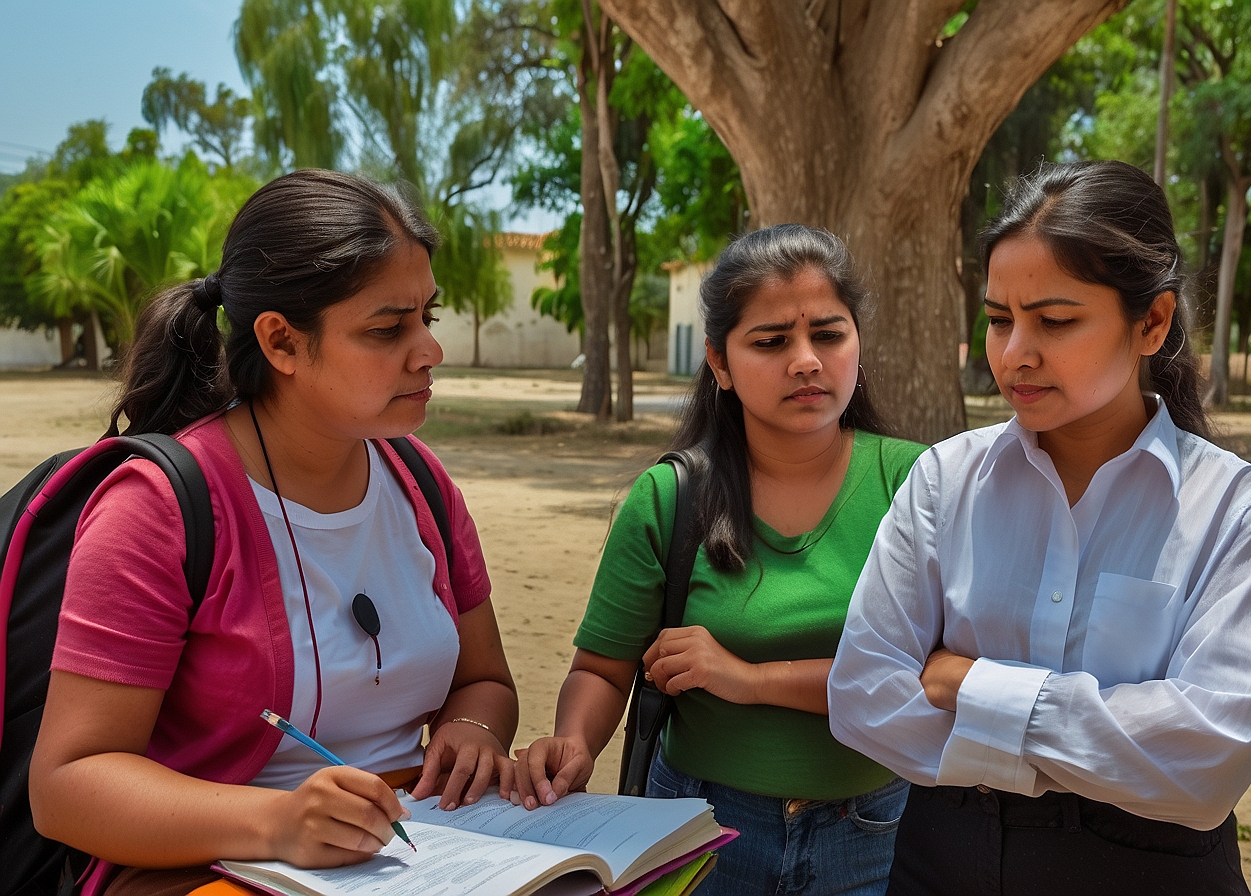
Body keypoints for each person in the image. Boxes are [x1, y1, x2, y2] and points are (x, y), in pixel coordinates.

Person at [29, 169, 518, 896]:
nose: (428, 351)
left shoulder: (422, 485)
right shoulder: (157, 509)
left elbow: (484, 681)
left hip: (420, 858)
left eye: (428, 317)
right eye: (388, 328)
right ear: (281, 342)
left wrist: (474, 733)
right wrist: (279, 822)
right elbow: (68, 785)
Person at [828, 160, 1251, 896]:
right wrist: (1112, 742)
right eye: (998, 318)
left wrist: (970, 683)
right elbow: (864, 700)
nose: (1014, 354)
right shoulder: (945, 481)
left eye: (1055, 320)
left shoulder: (1237, 511)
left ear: (1153, 321)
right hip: (944, 862)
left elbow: (1207, 759)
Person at [506, 224, 926, 896]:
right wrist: (575, 741)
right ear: (720, 362)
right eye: (771, 341)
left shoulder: (918, 485)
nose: (806, 361)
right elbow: (602, 669)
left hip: (874, 833)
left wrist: (748, 678)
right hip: (699, 833)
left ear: (857, 341)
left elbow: (927, 678)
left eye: (828, 334)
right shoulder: (670, 498)